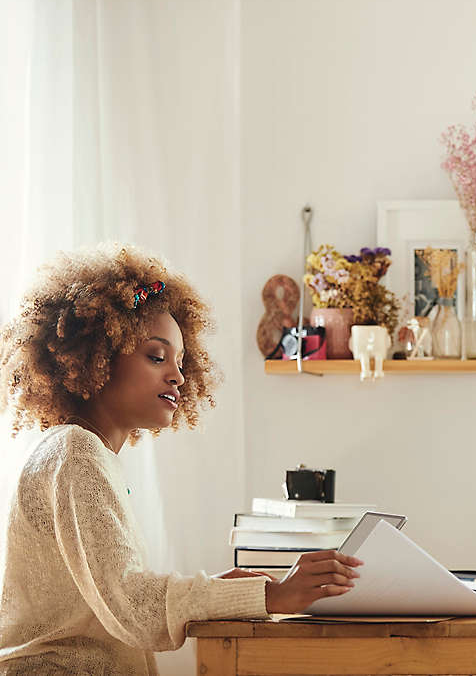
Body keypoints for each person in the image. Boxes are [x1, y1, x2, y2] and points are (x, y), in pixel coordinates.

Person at [0, 244, 362, 674]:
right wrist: (273, 595)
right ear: (97, 355)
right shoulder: (75, 454)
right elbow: (134, 606)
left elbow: (118, 601)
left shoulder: (84, 453)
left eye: (181, 361)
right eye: (156, 356)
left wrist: (224, 590)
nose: (178, 375)